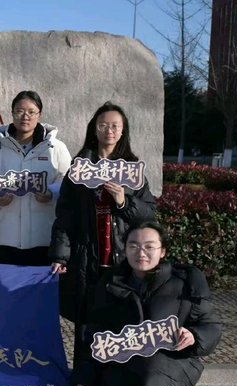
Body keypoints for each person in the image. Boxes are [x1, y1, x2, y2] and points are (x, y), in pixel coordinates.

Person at [71, 222, 222, 386]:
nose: (141, 252)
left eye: (149, 246)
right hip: (124, 361)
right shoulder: (110, 283)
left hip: (172, 361)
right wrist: (86, 379)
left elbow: (210, 325)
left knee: (153, 378)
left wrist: (193, 336)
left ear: (163, 251)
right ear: (125, 249)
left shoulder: (184, 283)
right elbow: (95, 336)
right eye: (133, 246)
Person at [49, 102, 156, 362]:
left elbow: (149, 214)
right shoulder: (80, 167)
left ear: (123, 131)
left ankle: (114, 376)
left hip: (121, 257)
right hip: (87, 256)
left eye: (115, 126)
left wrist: (123, 201)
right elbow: (66, 215)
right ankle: (84, 375)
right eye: (103, 125)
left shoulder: (131, 169)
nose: (109, 130)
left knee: (121, 321)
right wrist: (60, 255)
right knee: (87, 319)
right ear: (94, 129)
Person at [0, 90, 71, 266]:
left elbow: (67, 182)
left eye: (31, 112)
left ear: (39, 114)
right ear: (12, 113)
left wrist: (51, 193)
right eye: (19, 111)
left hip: (43, 238)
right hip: (4, 238)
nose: (25, 116)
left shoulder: (56, 148)